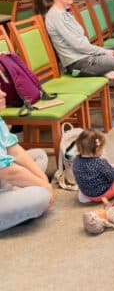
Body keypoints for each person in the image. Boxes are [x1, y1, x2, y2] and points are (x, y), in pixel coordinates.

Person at [34, 0, 114, 126]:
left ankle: (104, 69)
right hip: (80, 63)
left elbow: (81, 42)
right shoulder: (56, 16)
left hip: (86, 57)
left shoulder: (64, 13)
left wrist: (103, 51)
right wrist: (103, 52)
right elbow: (79, 45)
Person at [0, 90, 53, 232]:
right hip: (5, 174)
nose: (3, 94)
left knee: (38, 156)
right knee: (40, 196)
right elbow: (9, 172)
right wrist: (45, 188)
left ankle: (18, 198)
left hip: (3, 179)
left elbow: (14, 150)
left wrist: (45, 182)